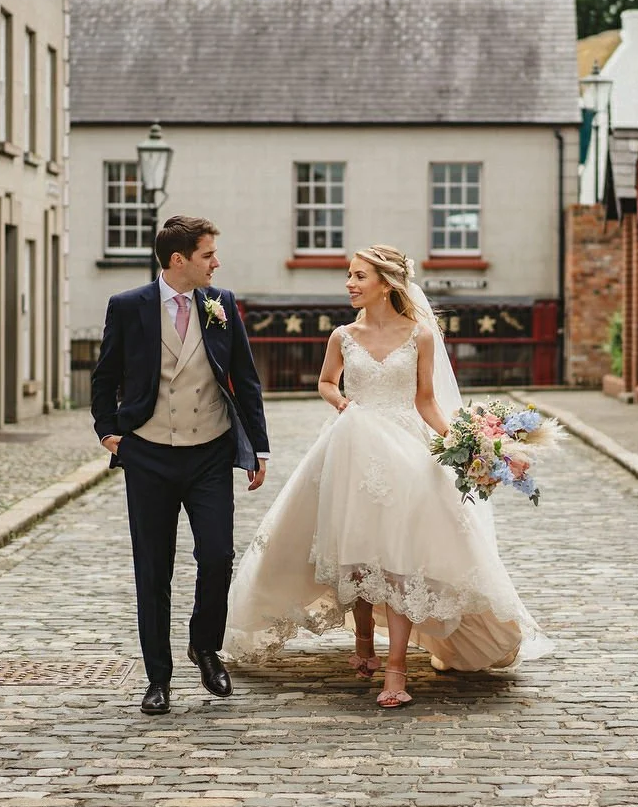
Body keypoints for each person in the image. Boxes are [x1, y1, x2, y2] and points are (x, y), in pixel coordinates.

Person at [224, 244, 549, 708]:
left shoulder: (420, 335)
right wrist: (340, 403)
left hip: (404, 450)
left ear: (386, 283)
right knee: (357, 551)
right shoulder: (342, 335)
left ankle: (395, 671)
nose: (349, 284)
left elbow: (427, 403)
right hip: (351, 446)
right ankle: (362, 642)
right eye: (349, 275)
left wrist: (477, 445)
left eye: (359, 276)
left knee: (398, 559)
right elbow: (325, 382)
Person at [90, 215, 270, 716]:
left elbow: (244, 379)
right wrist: (109, 434)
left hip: (210, 451)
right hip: (147, 454)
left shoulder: (222, 305)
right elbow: (103, 376)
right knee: (153, 568)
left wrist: (257, 447)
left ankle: (204, 646)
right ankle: (158, 679)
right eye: (208, 255)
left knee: (217, 556)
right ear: (179, 260)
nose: (217, 262)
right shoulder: (128, 307)